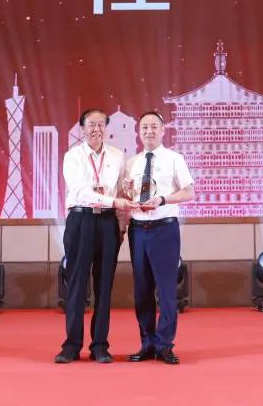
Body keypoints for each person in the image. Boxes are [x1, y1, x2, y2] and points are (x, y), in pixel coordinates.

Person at [55, 108, 135, 364]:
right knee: (77, 283)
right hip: (81, 220)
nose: (96, 129)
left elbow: (122, 191)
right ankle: (71, 345)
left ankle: (100, 345)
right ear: (82, 128)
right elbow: (79, 191)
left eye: (101, 124)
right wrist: (113, 200)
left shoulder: (117, 156)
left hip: (107, 223)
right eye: (91, 124)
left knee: (104, 286)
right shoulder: (73, 156)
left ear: (106, 128)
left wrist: (122, 222)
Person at [125, 110, 195, 365]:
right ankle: (147, 343)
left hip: (164, 229)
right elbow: (128, 195)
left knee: (166, 290)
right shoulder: (132, 163)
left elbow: (189, 192)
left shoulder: (175, 158)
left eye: (154, 126)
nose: (149, 131)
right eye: (144, 127)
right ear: (139, 132)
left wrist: (163, 199)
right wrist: (127, 195)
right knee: (141, 290)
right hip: (137, 230)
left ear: (163, 130)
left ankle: (165, 344)